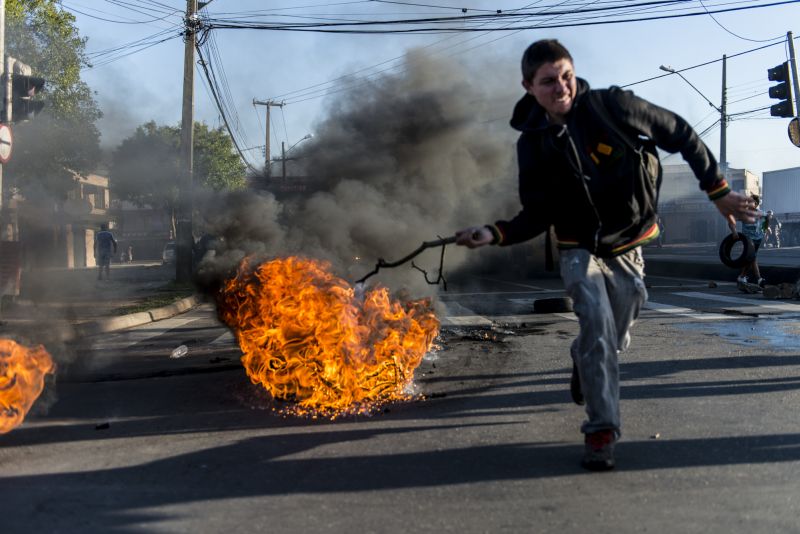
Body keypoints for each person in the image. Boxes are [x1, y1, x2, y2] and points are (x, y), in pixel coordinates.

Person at [454, 39, 756, 471]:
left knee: (616, 330)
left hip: (630, 241)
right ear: (528, 87)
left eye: (566, 76)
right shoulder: (533, 145)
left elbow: (682, 134)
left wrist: (719, 193)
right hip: (579, 248)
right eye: (548, 82)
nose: (561, 88)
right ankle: (601, 431)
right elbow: (536, 213)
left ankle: (584, 358)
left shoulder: (613, 107)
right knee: (596, 326)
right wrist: (494, 232)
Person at [732, 195, 768, 287]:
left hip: (758, 240)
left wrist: (765, 231)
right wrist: (734, 232)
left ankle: (742, 276)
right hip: (748, 240)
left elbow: (767, 219)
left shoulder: (760, 213)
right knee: (753, 257)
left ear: (755, 204)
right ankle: (759, 279)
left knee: (750, 259)